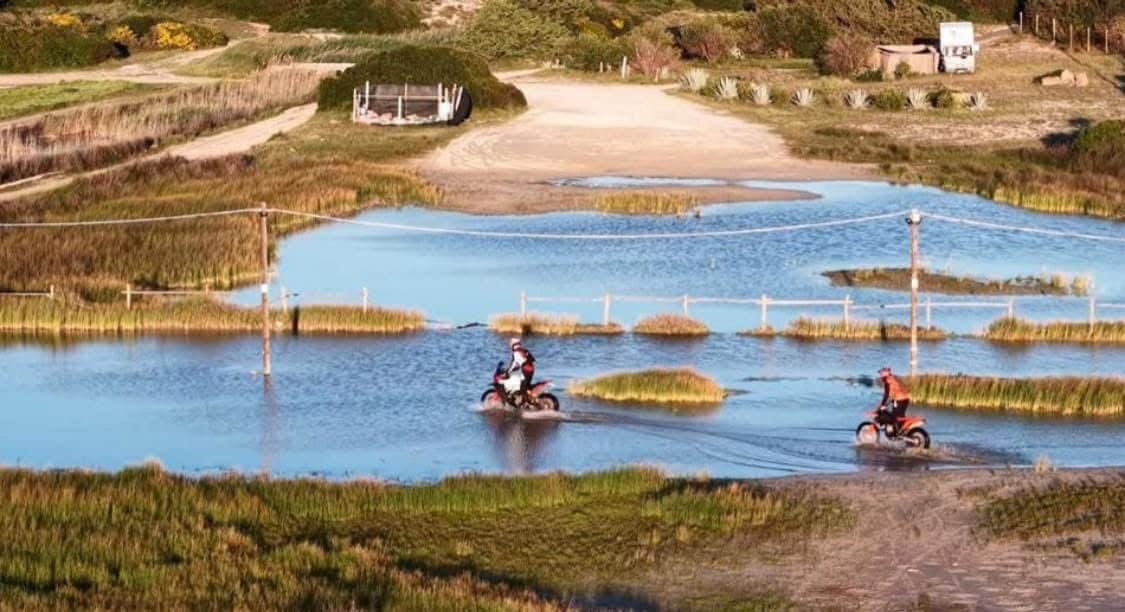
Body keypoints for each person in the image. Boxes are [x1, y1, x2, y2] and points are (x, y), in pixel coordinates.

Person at [876, 366, 911, 434]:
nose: (880, 375)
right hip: (905, 399)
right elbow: (897, 389)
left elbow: (887, 395)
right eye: (880, 373)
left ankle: (897, 432)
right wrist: (886, 403)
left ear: (886, 373)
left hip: (899, 399)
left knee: (894, 416)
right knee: (900, 415)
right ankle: (901, 431)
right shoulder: (893, 377)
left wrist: (883, 405)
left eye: (882, 373)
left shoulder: (888, 380)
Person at [506, 338, 536, 404]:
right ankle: (526, 400)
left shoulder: (516, 352)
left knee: (522, 389)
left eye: (510, 344)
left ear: (513, 345)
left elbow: (514, 364)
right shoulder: (524, 350)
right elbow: (529, 360)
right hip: (531, 370)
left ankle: (528, 402)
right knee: (525, 385)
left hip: (526, 371)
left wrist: (508, 372)